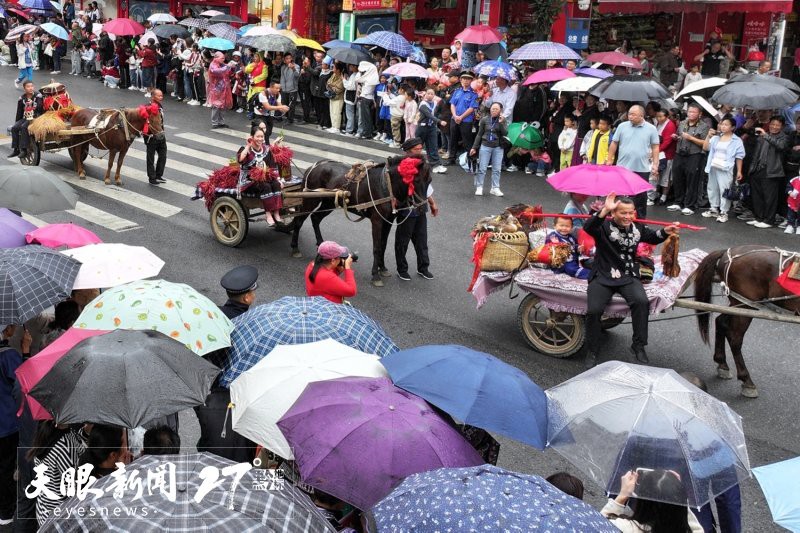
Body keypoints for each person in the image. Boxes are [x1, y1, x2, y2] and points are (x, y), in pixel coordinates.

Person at [583, 193, 679, 368]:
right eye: (623, 213)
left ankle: (638, 345)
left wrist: (665, 231)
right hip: (603, 274)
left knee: (641, 302)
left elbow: (652, 236)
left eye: (631, 213)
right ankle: (592, 349)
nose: (628, 217)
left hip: (628, 275)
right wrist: (605, 209)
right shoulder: (602, 226)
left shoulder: (636, 228)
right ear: (614, 213)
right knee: (594, 310)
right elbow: (588, 227)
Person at [27, 422, 89, 526]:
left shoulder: (45, 431)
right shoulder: (63, 445)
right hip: (61, 516)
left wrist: (86, 432)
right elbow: (73, 487)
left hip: (44, 509)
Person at [602, 469, 704, 532]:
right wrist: (676, 494)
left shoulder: (624, 527)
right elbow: (694, 526)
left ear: (643, 501)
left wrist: (622, 496)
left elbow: (596, 525)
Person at [606, 105, 660, 217]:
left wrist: (655, 164)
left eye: (633, 114)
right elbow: (614, 142)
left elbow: (655, 147)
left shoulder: (651, 128)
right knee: (619, 193)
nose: (630, 116)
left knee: (640, 196)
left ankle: (640, 221)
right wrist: (609, 159)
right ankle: (617, 217)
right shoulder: (622, 126)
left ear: (641, 115)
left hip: (641, 168)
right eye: (629, 113)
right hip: (622, 167)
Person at [394, 150, 438, 281]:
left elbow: (427, 189)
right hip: (407, 210)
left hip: (421, 210)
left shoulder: (423, 170)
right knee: (402, 242)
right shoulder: (404, 169)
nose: (420, 150)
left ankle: (423, 268)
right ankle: (401, 269)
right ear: (409, 150)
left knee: (422, 241)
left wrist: (433, 204)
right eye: (417, 148)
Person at [0, 325, 26, 526]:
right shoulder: (8, 356)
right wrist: (26, 352)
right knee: (6, 468)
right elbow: (24, 383)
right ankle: (6, 513)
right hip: (6, 424)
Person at [667, 104, 709, 216]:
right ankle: (678, 202)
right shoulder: (682, 123)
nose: (691, 114)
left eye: (694, 112)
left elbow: (705, 143)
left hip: (694, 154)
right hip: (680, 153)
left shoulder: (704, 126)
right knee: (677, 177)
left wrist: (691, 138)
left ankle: (690, 205)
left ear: (700, 114)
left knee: (692, 179)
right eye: (689, 111)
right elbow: (679, 135)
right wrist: (676, 137)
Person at [747, 116, 788, 229]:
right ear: (769, 124)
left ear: (782, 127)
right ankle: (759, 217)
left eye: (777, 125)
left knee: (770, 197)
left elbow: (780, 146)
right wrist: (752, 168)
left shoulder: (783, 137)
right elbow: (756, 154)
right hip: (758, 168)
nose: (774, 127)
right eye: (772, 124)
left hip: (772, 170)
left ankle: (769, 220)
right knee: (757, 195)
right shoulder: (762, 136)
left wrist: (766, 135)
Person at [701, 116, 744, 223]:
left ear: (732, 127)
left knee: (724, 190)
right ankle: (714, 208)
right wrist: (708, 136)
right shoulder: (716, 138)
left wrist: (739, 171)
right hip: (713, 166)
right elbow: (705, 148)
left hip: (726, 168)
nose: (722, 127)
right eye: (721, 124)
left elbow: (739, 156)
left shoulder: (737, 140)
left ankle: (724, 212)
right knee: (712, 188)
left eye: (726, 125)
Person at [238, 126, 283, 226]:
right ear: (252, 137)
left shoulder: (266, 150)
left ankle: (276, 212)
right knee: (265, 186)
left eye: (262, 137)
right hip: (249, 182)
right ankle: (268, 214)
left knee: (275, 184)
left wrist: (279, 180)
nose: (260, 139)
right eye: (257, 136)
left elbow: (273, 167)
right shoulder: (246, 149)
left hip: (264, 179)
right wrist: (248, 146)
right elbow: (240, 160)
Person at [470, 102, 507, 197]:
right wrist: (474, 147)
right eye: (492, 108)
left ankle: (495, 188)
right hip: (485, 145)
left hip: (498, 147)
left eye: (496, 109)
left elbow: (505, 133)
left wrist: (501, 123)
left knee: (497, 169)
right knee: (482, 168)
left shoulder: (502, 120)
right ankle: (479, 186)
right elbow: (479, 134)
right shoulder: (484, 119)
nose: (494, 110)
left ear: (500, 111)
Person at [445, 71, 479, 165]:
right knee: (453, 139)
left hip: (466, 120)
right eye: (464, 78)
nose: (465, 81)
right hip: (454, 119)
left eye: (468, 79)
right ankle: (451, 158)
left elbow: (472, 108)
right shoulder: (457, 91)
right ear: (460, 80)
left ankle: (471, 159)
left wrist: (461, 117)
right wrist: (455, 116)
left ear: (471, 81)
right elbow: (452, 104)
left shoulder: (474, 94)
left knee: (467, 140)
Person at [8, 80, 44, 159]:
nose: (30, 88)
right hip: (26, 117)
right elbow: (19, 112)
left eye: (32, 86)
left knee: (24, 127)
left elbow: (40, 108)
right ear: (24, 88)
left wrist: (31, 106)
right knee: (14, 128)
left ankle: (24, 149)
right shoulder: (21, 98)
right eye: (28, 87)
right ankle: (16, 149)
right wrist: (17, 122)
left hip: (36, 117)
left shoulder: (38, 96)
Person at [416, 88, 447, 174]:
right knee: (417, 147)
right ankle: (414, 164)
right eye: (428, 93)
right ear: (425, 95)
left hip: (432, 127)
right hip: (422, 128)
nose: (430, 95)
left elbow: (438, 112)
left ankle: (436, 165)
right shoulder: (422, 104)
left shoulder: (435, 103)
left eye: (432, 93)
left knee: (433, 146)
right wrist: (440, 121)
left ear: (434, 95)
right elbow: (429, 115)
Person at [144, 89, 167, 185]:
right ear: (152, 97)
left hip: (161, 134)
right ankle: (152, 178)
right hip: (151, 136)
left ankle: (158, 175)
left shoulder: (160, 106)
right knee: (151, 158)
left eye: (161, 95)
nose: (161, 97)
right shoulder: (147, 107)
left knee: (163, 155)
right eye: (159, 96)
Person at [206, 52, 231, 129]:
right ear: (216, 58)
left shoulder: (221, 64)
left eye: (224, 58)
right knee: (216, 106)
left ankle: (221, 122)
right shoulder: (213, 65)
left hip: (223, 89)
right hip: (216, 89)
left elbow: (227, 71)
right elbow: (216, 71)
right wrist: (227, 67)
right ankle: (215, 123)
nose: (223, 60)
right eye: (222, 58)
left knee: (223, 106)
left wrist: (229, 66)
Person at [280, 53, 300, 124]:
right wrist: (281, 87)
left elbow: (297, 75)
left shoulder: (296, 66)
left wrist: (293, 69)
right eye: (287, 58)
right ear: (284, 60)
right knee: (284, 104)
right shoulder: (283, 67)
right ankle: (286, 117)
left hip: (292, 89)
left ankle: (290, 119)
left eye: (289, 58)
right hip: (284, 89)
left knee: (291, 105)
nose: (288, 60)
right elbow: (282, 77)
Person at [326, 62, 345, 133]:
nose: (333, 69)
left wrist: (332, 86)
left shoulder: (342, 77)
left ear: (338, 70)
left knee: (337, 112)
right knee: (332, 112)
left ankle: (336, 127)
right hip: (331, 96)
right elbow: (328, 82)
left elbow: (340, 88)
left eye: (334, 67)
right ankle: (333, 126)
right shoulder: (333, 75)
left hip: (339, 97)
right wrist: (331, 86)